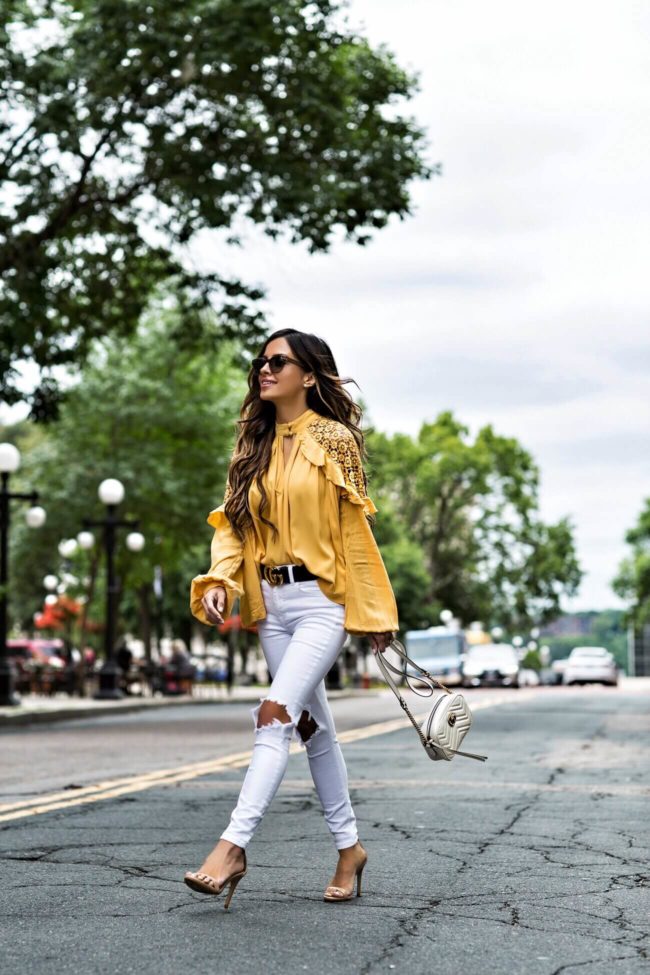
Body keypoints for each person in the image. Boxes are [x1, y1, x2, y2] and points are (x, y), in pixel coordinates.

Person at [184, 329, 398, 908]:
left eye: (278, 361)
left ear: (309, 375)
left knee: (274, 716)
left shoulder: (334, 440)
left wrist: (373, 609)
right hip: (273, 607)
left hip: (322, 603)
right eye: (261, 361)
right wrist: (220, 582)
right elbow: (233, 529)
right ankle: (350, 848)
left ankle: (231, 847)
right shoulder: (250, 448)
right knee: (311, 728)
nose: (265, 369)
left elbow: (353, 531)